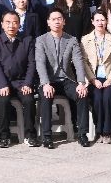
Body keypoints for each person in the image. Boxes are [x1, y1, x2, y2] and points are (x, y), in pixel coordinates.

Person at [36, 10, 92, 148]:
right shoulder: (41, 40)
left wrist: (81, 82)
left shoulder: (71, 40)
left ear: (64, 21)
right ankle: (47, 136)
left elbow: (78, 61)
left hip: (67, 79)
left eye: (59, 19)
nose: (57, 21)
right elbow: (40, 63)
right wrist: (45, 83)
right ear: (48, 22)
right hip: (49, 80)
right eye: (53, 19)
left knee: (82, 94)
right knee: (46, 96)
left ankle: (82, 134)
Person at [0, 12, 39, 148]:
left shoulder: (27, 40)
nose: (11, 25)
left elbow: (31, 64)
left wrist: (28, 83)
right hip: (3, 82)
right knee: (3, 100)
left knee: (29, 100)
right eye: (7, 22)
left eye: (15, 22)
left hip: (22, 82)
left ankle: (30, 135)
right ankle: (4, 136)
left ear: (19, 24)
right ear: (2, 24)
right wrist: (2, 84)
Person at [82, 12, 111, 144]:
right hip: (93, 78)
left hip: (110, 77)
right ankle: (99, 131)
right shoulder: (85, 39)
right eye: (97, 20)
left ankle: (107, 131)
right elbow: (84, 62)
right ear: (92, 22)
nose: (100, 23)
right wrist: (93, 79)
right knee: (97, 98)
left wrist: (110, 78)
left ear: (106, 21)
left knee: (107, 98)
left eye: (102, 20)